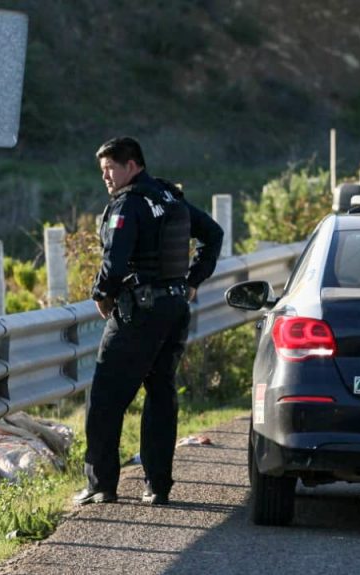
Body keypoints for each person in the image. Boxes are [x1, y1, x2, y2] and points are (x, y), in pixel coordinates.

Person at [73, 137, 223, 506]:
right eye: (102, 170)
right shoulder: (170, 198)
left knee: (106, 397)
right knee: (160, 395)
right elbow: (213, 234)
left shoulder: (129, 204)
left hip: (138, 312)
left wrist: (100, 293)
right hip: (174, 310)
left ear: (132, 165)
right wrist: (191, 281)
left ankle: (101, 485)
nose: (106, 177)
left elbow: (116, 259)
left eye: (111, 168)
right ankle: (157, 486)